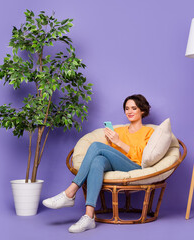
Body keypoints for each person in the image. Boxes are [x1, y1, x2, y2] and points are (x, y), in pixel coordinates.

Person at [42, 94, 154, 233]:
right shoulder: (118, 131)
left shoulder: (149, 131)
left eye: (134, 108)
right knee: (98, 161)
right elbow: (110, 153)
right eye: (126, 108)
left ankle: (70, 192)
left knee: (96, 146)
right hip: (116, 163)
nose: (129, 111)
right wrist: (111, 141)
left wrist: (118, 142)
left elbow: (143, 155)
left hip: (134, 166)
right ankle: (89, 216)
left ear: (142, 110)